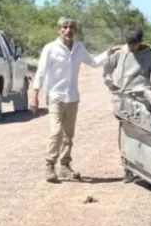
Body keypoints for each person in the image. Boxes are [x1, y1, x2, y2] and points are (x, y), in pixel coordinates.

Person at [31, 16, 118, 183]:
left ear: (75, 30)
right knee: (56, 132)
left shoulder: (79, 48)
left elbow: (93, 62)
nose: (68, 30)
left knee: (68, 135)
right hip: (55, 96)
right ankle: (49, 165)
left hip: (72, 97)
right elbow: (41, 72)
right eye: (64, 27)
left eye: (71, 27)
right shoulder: (50, 49)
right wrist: (34, 94)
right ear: (59, 30)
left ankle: (64, 166)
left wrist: (108, 53)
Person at [103, 26, 151, 95]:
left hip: (142, 92)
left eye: (134, 44)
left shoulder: (148, 54)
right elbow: (108, 69)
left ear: (140, 41)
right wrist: (108, 78)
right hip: (122, 93)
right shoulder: (120, 53)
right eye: (129, 44)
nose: (131, 47)